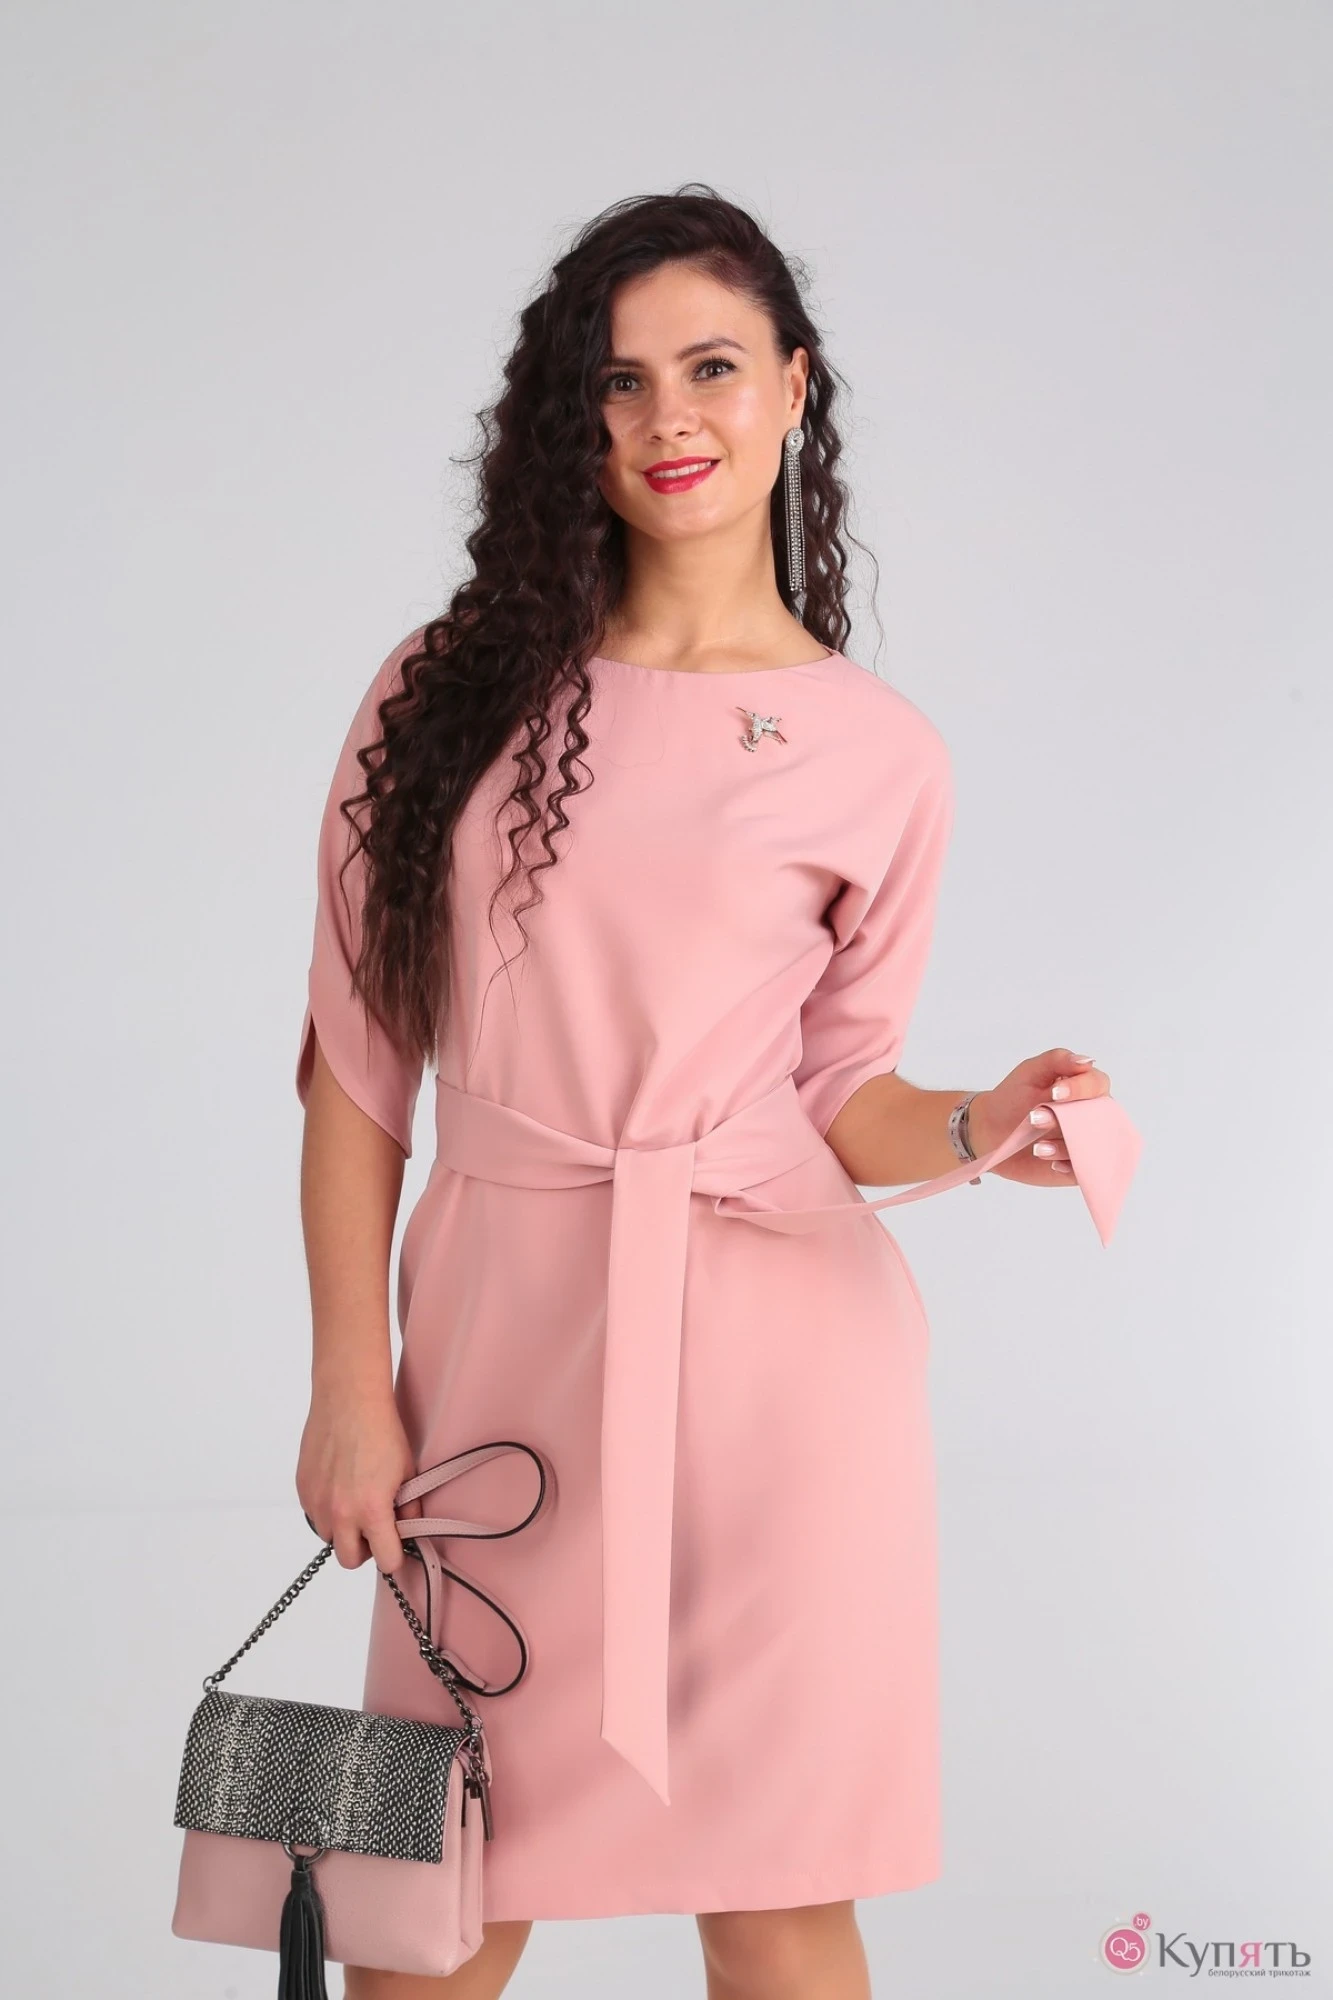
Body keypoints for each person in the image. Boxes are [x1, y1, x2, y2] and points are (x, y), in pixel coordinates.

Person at [293, 185, 1115, 2000]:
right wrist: (352, 1384)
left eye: (716, 368)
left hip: (778, 1381)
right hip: (496, 1356)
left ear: (795, 389)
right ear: (571, 419)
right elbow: (354, 1073)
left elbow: (841, 1093)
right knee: (421, 1921)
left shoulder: (878, 753)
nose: (671, 417)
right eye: (621, 381)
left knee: (778, 1898)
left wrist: (983, 1124)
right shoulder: (443, 694)